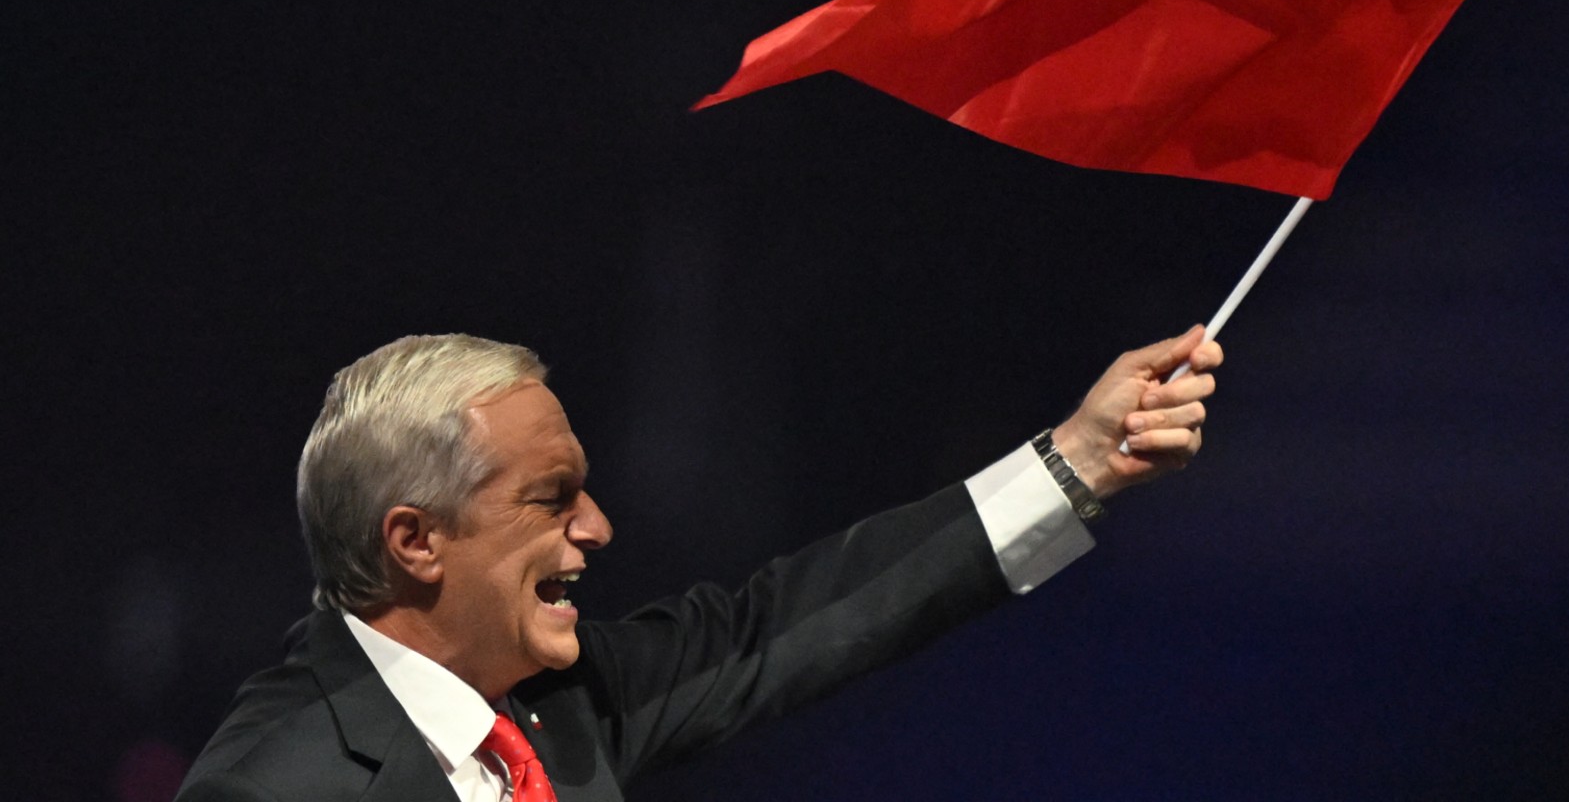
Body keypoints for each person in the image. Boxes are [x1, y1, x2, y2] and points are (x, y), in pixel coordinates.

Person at [176, 325, 1221, 801]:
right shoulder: (275, 784)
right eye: (550, 497)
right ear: (415, 540)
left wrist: (1077, 459)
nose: (596, 527)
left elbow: (794, 621)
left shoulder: (561, 697)